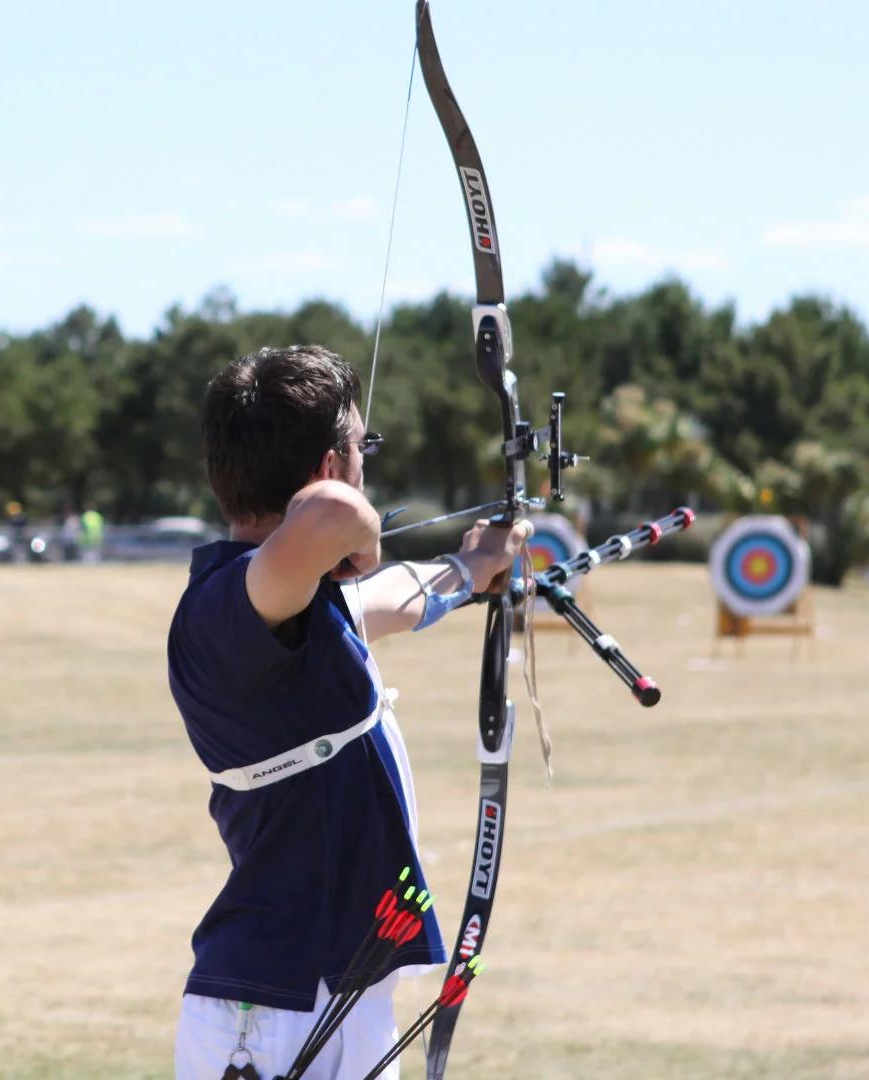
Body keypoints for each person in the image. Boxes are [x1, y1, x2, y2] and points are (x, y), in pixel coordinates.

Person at [168, 345, 528, 1080]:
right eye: (363, 446)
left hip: (332, 995)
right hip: (274, 1012)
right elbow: (333, 515)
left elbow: (383, 600)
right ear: (331, 466)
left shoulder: (287, 608)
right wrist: (355, 534)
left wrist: (468, 567)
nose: (369, 461)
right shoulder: (226, 610)